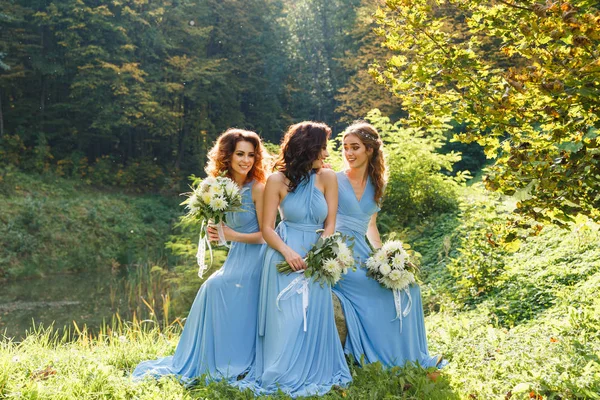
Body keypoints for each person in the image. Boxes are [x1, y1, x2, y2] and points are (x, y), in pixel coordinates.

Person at [131, 128, 268, 383]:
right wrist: (213, 227)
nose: (246, 160)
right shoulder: (217, 187)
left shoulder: (258, 188)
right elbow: (217, 227)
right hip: (236, 256)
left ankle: (235, 359)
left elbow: (266, 235)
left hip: (258, 257)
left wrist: (231, 235)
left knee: (216, 286)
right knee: (211, 289)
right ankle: (210, 358)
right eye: (240, 154)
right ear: (227, 156)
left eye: (251, 155)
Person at [235, 121, 352, 397]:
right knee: (288, 321)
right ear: (307, 148)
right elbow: (266, 228)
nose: (326, 154)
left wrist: (319, 254)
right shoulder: (277, 180)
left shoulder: (328, 177)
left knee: (311, 317)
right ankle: (281, 370)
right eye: (321, 148)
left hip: (317, 257)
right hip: (282, 255)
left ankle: (313, 368)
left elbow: (331, 222)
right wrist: (288, 253)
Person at [331, 121, 445, 369]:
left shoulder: (378, 183)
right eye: (345, 147)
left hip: (364, 252)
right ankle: (385, 359)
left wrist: (384, 258)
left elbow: (371, 226)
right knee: (375, 291)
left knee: (408, 287)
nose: (349, 153)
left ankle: (410, 356)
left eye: (355, 148)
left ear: (369, 150)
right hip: (339, 256)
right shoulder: (334, 180)